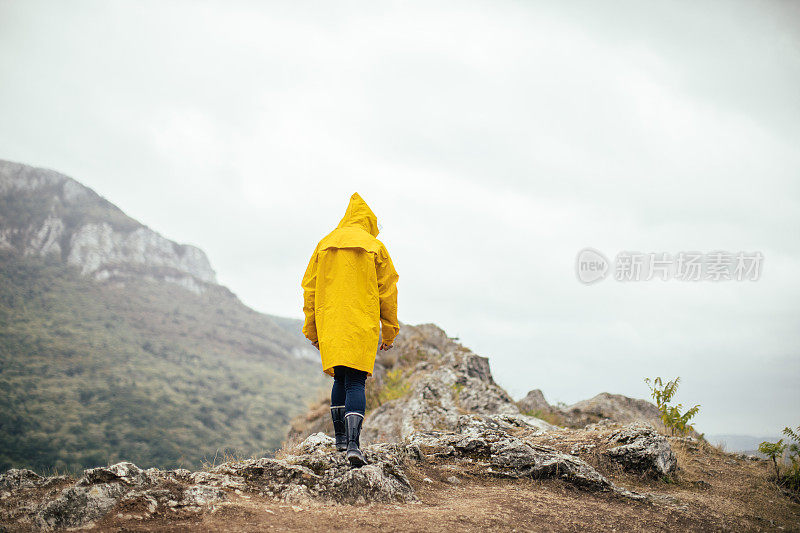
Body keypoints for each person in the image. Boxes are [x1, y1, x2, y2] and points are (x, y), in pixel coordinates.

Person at [301, 192, 399, 467]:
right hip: (360, 323)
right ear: (367, 221)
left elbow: (309, 288)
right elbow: (387, 291)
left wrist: (313, 329)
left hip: (331, 322)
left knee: (339, 380)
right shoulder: (374, 247)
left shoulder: (324, 244)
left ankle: (340, 441)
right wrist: (390, 329)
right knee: (356, 381)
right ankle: (354, 446)